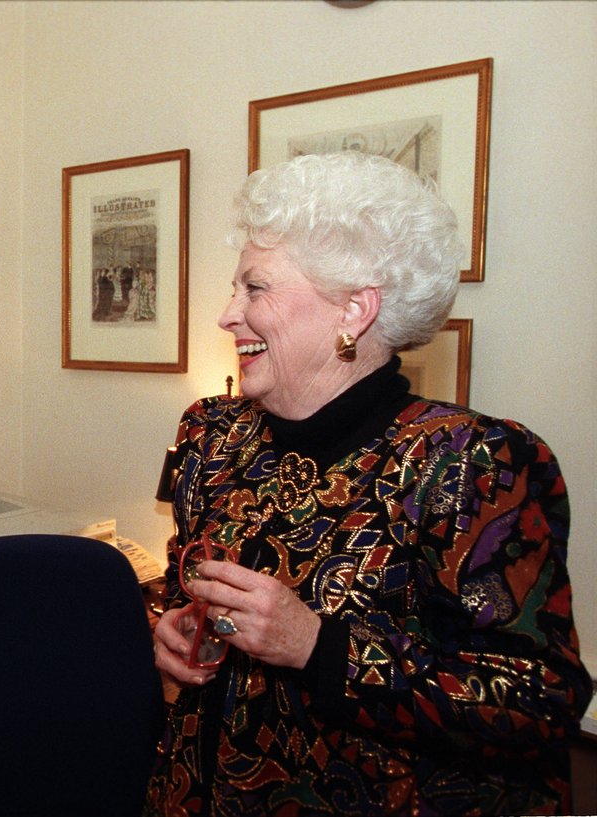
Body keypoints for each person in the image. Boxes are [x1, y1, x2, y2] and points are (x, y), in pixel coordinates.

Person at [144, 151, 591, 816]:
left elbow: (538, 702)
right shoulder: (211, 434)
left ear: (354, 310)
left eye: (255, 288)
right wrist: (170, 623)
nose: (227, 314)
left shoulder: (472, 462)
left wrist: (317, 646)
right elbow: (185, 578)